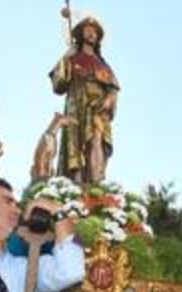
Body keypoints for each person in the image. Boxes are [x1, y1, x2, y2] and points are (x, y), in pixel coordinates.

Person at [51, 16, 120, 184]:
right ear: (81, 35)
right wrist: (67, 56)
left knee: (96, 139)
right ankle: (77, 184)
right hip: (77, 103)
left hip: (98, 107)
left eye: (94, 32)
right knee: (75, 143)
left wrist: (110, 99)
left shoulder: (102, 64)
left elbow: (113, 87)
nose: (91, 34)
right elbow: (58, 84)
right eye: (87, 31)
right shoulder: (72, 59)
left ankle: (96, 182)